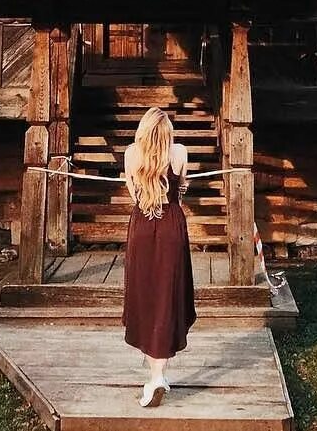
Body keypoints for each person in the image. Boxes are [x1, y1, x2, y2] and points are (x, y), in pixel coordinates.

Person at [122, 106, 197, 408]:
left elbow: (134, 193)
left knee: (146, 294)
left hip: (142, 226)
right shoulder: (179, 152)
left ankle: (154, 376)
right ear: (167, 132)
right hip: (171, 227)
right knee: (167, 296)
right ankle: (158, 375)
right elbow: (180, 193)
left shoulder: (130, 154)